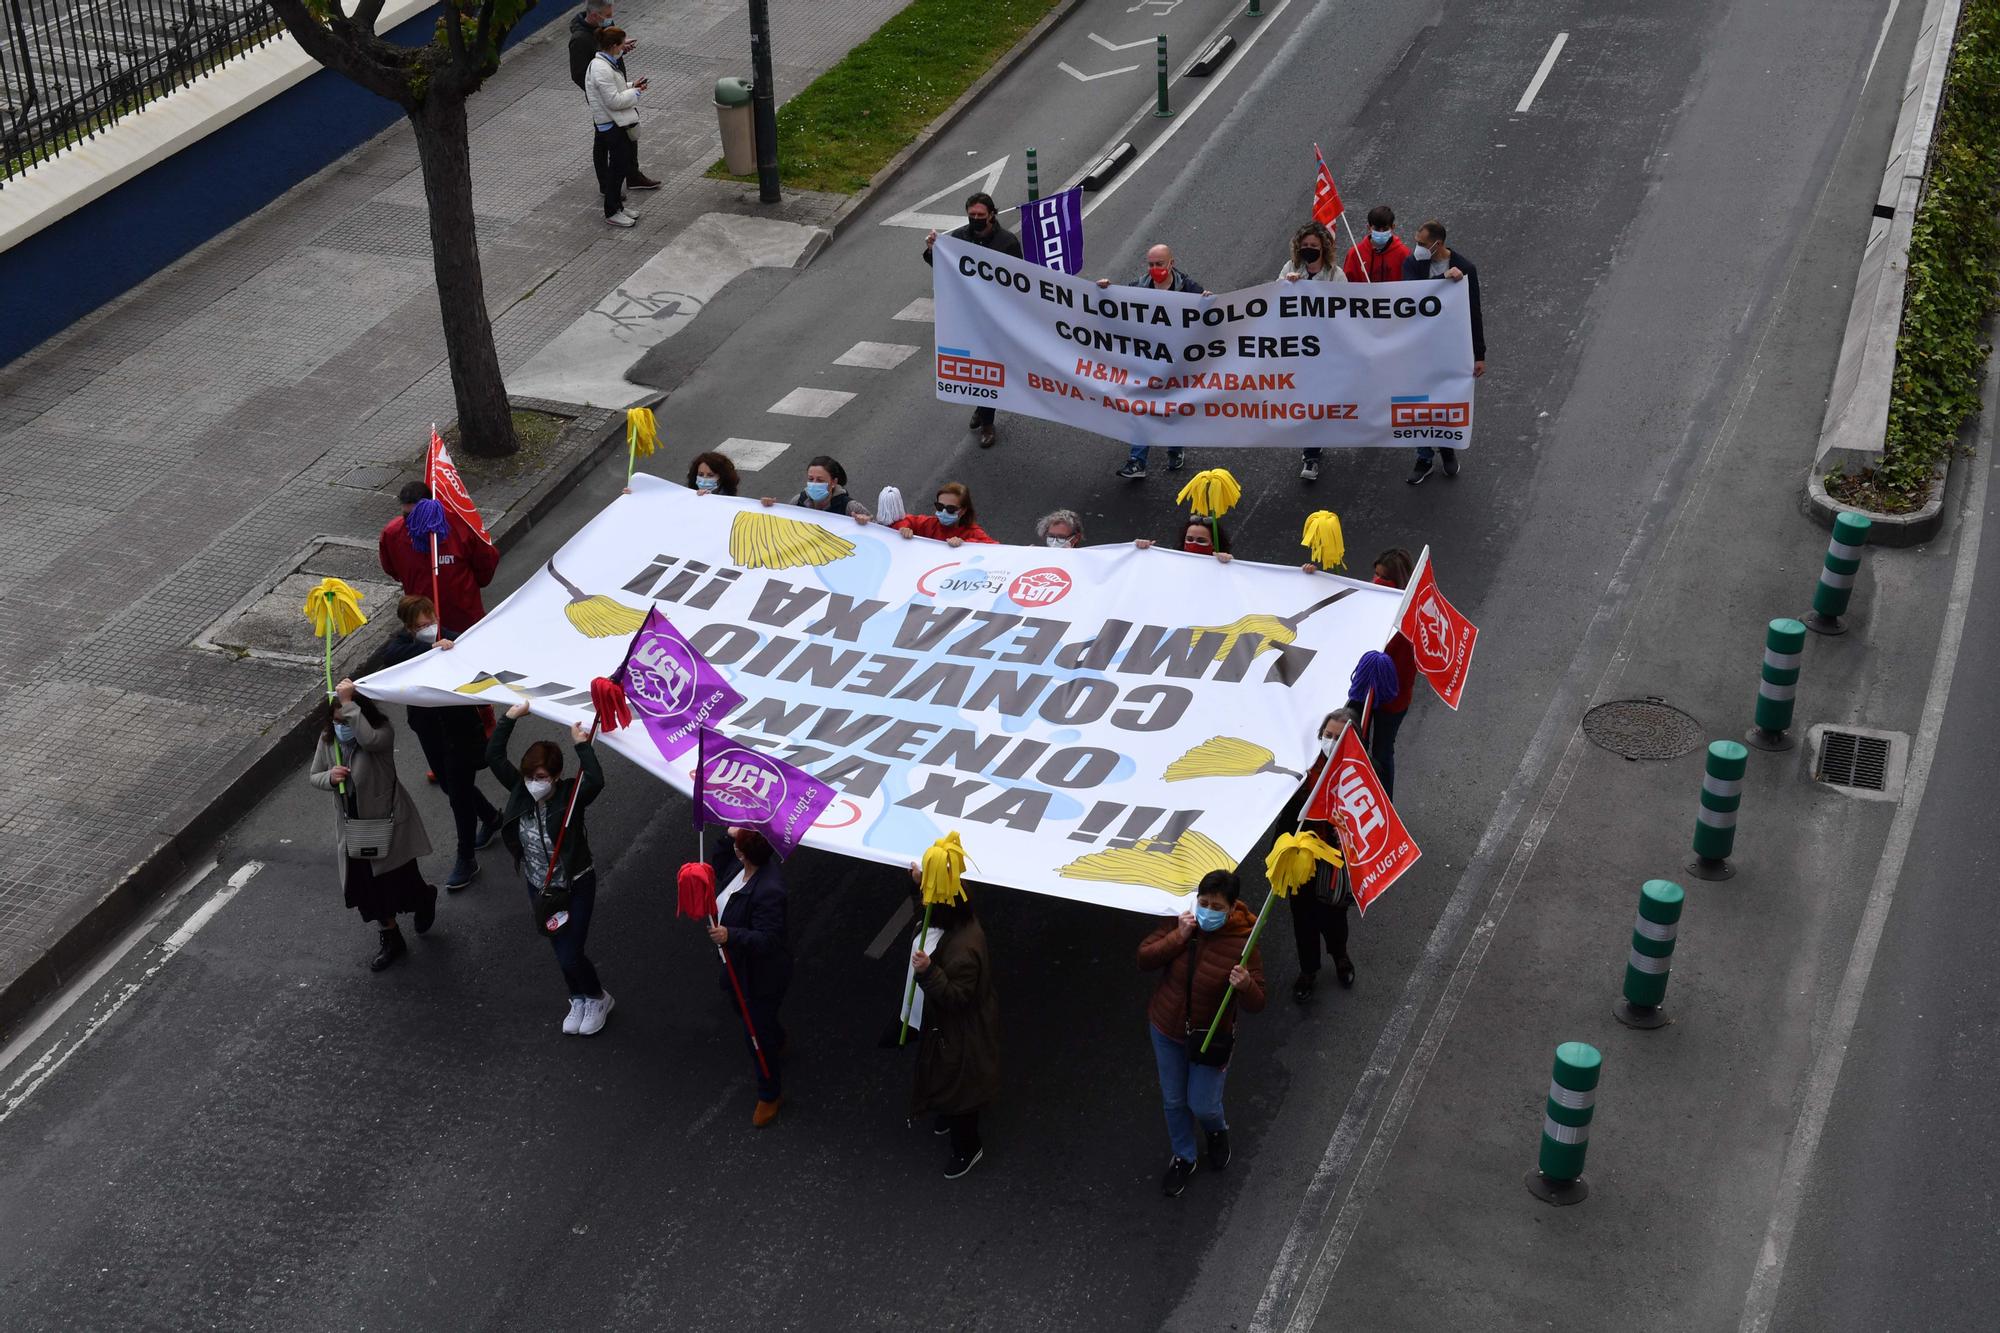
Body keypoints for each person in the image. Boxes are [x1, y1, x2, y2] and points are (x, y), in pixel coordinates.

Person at [1138, 868, 1266, 1197]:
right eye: (1203, 903)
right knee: (1174, 1100)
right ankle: (1184, 1156)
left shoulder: (1244, 940)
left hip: (1211, 1037)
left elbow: (1258, 1002)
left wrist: (1246, 984)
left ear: (1232, 906)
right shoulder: (1182, 923)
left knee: (1203, 1105)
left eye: (1217, 907)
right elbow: (1145, 958)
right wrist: (1177, 937)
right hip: (1166, 1028)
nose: (1208, 911)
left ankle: (1216, 1130)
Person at [488, 700, 612, 1035]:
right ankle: (578, 997)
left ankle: (598, 997)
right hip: (539, 886)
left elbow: (596, 780)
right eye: (529, 776)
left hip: (576, 885)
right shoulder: (520, 791)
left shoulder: (571, 796)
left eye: (541, 777)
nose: (533, 782)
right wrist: (510, 718)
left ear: (556, 776)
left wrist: (582, 746)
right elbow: (494, 756)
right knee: (560, 950)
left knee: (571, 953)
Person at [307, 679, 437, 972]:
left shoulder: (380, 734)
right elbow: (314, 775)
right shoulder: (328, 740)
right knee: (368, 888)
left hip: (386, 826)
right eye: (336, 719)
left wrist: (348, 704)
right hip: (354, 830)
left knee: (401, 881)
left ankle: (425, 898)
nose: (341, 725)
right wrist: (330, 777)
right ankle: (391, 936)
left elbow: (367, 740)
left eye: (347, 718)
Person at [380, 596, 501, 891]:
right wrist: (427, 649)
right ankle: (491, 816)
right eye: (420, 625)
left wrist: (446, 647)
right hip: (430, 731)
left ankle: (466, 858)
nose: (427, 627)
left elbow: (474, 659)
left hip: (459, 730)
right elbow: (391, 655)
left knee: (458, 795)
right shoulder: (406, 644)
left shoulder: (453, 638)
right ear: (409, 627)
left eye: (429, 622)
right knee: (449, 784)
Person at [909, 880, 1000, 1179]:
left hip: (961, 1032)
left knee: (961, 1090)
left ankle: (967, 1148)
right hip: (955, 1029)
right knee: (949, 1078)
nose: (925, 905)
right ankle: (949, 1113)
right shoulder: (962, 925)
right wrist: (919, 883)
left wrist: (928, 972)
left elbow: (956, 997)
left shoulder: (962, 950)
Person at [1099, 244, 1210, 480]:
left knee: (1172, 407)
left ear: (1171, 263)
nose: (1154, 268)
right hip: (1147, 360)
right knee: (1143, 406)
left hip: (1177, 361)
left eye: (1159, 264)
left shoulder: (1188, 288)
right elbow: (1118, 301)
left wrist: (1208, 301)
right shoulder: (1140, 286)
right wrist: (1106, 290)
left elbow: (1209, 316)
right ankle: (1137, 461)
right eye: (1150, 264)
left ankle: (1175, 448)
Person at [924, 193, 1023, 448]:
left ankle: (987, 422)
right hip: (965, 316)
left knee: (988, 369)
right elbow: (942, 264)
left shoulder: (1007, 242)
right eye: (972, 215)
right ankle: (982, 407)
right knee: (971, 366)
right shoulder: (959, 238)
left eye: (980, 215)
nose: (976, 219)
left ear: (992, 214)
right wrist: (932, 249)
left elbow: (1019, 280)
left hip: (994, 319)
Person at [710, 828, 793, 1126]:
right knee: (748, 1013)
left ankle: (770, 1095)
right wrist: (725, 835)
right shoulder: (739, 867)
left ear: (743, 852)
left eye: (736, 841)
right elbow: (714, 865)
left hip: (761, 974)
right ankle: (776, 1037)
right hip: (737, 966)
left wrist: (731, 935)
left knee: (755, 1034)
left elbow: (769, 939)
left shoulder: (769, 889)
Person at [1277, 709, 1359, 999]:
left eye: (1338, 737)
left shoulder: (1358, 773)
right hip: (1303, 860)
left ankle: (1340, 957)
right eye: (1328, 735)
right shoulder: (1304, 770)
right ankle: (1308, 970)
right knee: (1303, 919)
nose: (1331, 741)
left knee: (1335, 915)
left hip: (1334, 860)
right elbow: (1287, 817)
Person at [1402, 218, 1486, 485]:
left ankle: (1447, 448)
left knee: (1445, 400)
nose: (1417, 248)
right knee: (1420, 404)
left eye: (1422, 244)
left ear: (1439, 244)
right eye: (1416, 242)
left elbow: (1474, 312)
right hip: (1420, 348)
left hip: (1451, 348)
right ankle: (1424, 457)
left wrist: (1479, 354)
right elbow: (1411, 295)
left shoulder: (1466, 269)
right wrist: (1442, 280)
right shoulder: (1413, 264)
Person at [378, 482, 498, 638]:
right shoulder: (392, 534)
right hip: (424, 625)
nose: (412, 522)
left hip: (463, 620)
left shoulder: (460, 526)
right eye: (407, 516)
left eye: (417, 515)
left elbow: (486, 560)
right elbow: (391, 568)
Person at [568, 0, 659, 194]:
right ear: (594, 15)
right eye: (607, 16)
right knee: (603, 143)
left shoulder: (601, 30)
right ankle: (607, 187)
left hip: (618, 90)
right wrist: (600, 91)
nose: (610, 20)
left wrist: (619, 49)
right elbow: (579, 74)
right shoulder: (580, 40)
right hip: (603, 101)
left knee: (629, 132)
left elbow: (607, 53)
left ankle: (632, 176)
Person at [1279, 222, 1345, 483]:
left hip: (1326, 350)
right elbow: (1272, 299)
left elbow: (1346, 306)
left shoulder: (1334, 275)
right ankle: (1311, 451)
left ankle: (1314, 448)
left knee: (1320, 400)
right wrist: (1287, 285)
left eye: (1314, 247)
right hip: (1297, 349)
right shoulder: (1290, 269)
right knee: (1306, 399)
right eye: (1305, 246)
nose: (1308, 250)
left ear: (1324, 248)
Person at [1355, 548, 1417, 798]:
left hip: (1391, 696)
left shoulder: (1406, 616)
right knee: (1368, 747)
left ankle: (1383, 801)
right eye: (1375, 575)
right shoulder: (1404, 608)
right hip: (1378, 693)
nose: (1376, 582)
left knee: (1379, 751)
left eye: (1382, 578)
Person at [584, 26, 647, 229]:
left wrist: (631, 86)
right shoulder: (601, 68)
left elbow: (614, 89)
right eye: (621, 44)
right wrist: (635, 93)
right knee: (617, 168)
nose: (623, 48)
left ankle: (617, 207)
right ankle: (611, 210)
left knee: (621, 165)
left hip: (614, 122)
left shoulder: (606, 64)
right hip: (611, 124)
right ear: (613, 46)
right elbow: (613, 101)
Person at [759, 455, 872, 520]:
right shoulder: (798, 501)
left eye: (820, 480)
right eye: (810, 479)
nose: (814, 483)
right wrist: (769, 508)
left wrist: (865, 522)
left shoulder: (850, 507)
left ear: (833, 482)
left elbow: (878, 529)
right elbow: (783, 523)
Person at [893, 481, 996, 545]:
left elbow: (997, 549)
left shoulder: (973, 532)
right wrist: (903, 528)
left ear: (963, 511)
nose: (944, 512)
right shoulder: (930, 524)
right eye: (940, 507)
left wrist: (966, 545)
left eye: (951, 509)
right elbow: (905, 520)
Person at [1342, 204, 1410, 284]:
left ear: (1393, 227)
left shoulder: (1403, 254)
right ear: (1369, 228)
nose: (1381, 232)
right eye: (1377, 229)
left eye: (1385, 229)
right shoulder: (1355, 254)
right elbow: (1346, 284)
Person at [1136, 517, 1233, 562]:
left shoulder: (1221, 563)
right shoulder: (1171, 560)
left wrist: (1229, 563)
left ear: (1214, 544)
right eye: (1189, 539)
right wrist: (1142, 550)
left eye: (1201, 541)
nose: (1194, 543)